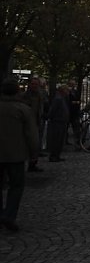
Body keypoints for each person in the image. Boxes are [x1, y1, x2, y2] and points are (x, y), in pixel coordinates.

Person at [0, 76, 39, 232]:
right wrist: (34, 153)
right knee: (16, 186)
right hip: (16, 154)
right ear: (17, 92)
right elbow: (31, 134)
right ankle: (9, 216)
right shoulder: (23, 109)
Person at [21, 77, 46, 173]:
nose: (35, 86)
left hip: (37, 121)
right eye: (33, 84)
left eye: (37, 84)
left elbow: (41, 107)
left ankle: (32, 164)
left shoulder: (40, 95)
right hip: (27, 123)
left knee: (36, 144)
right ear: (29, 85)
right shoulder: (24, 96)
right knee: (28, 145)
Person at [46, 84, 70, 162]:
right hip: (58, 122)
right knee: (56, 140)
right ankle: (54, 156)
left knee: (59, 140)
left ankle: (56, 155)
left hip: (61, 121)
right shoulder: (58, 99)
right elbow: (52, 110)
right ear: (63, 90)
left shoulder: (61, 98)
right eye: (67, 90)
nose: (68, 92)